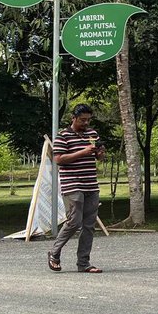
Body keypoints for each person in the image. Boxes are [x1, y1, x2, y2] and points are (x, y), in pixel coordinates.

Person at [49, 104, 105, 273]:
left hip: (91, 184)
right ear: (73, 118)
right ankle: (54, 252)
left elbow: (99, 157)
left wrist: (100, 152)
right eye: (82, 120)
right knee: (74, 221)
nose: (86, 123)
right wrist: (84, 151)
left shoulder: (92, 134)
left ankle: (84, 263)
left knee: (89, 224)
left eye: (88, 120)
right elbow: (58, 159)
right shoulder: (62, 136)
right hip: (72, 184)